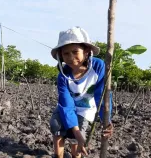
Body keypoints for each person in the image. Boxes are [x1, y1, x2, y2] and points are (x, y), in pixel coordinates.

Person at [49, 27, 114, 158]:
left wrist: (106, 120)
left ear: (86, 52)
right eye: (66, 54)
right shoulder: (63, 75)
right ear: (60, 56)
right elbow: (67, 104)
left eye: (75, 52)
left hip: (86, 110)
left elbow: (101, 95)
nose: (71, 57)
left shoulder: (98, 66)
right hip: (68, 109)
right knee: (56, 125)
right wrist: (76, 131)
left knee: (76, 139)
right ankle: (58, 155)